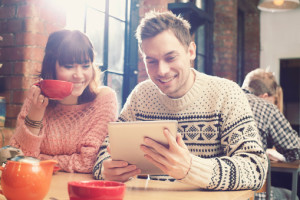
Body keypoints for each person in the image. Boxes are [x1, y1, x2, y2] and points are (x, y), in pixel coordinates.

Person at [93, 11, 268, 191]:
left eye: (170, 58)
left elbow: (255, 169)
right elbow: (104, 155)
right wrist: (106, 170)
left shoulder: (227, 94)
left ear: (191, 51)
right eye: (151, 61)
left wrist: (191, 168)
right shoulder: (141, 95)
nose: (161, 71)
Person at [9, 30, 118, 173]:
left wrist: (40, 160)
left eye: (85, 66)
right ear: (51, 67)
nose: (78, 75)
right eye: (69, 66)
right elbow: (17, 158)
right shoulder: (36, 97)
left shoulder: (103, 100)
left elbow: (89, 162)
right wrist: (36, 111)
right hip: (40, 186)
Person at [242, 68, 300, 200]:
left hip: (215, 191)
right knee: (291, 195)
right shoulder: (266, 107)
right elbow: (295, 150)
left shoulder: (226, 99)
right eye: (274, 100)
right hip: (251, 193)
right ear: (265, 96)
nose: (274, 104)